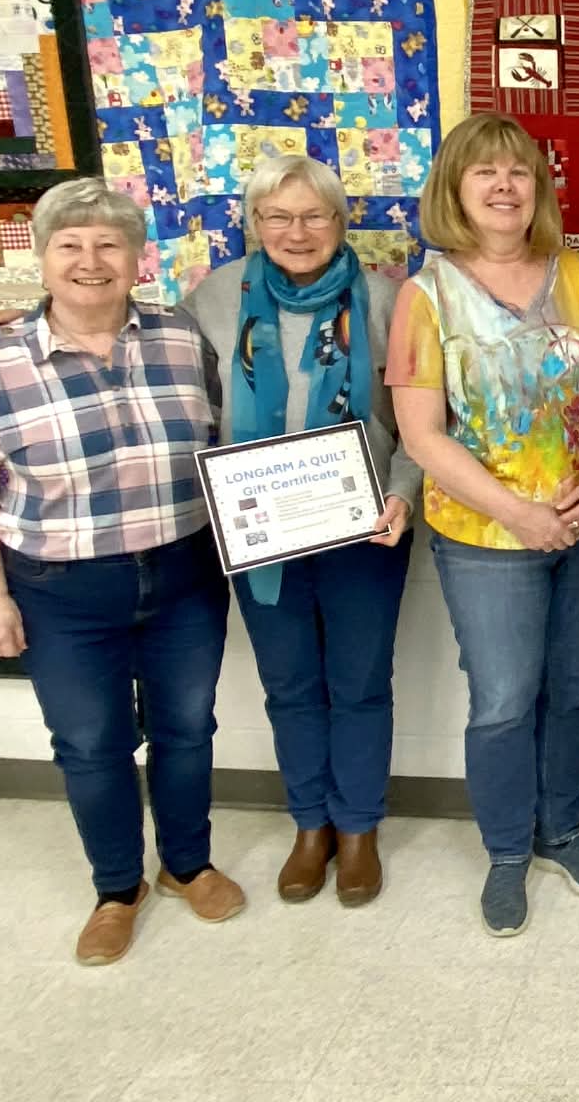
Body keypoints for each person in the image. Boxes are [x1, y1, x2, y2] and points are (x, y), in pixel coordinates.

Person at [0, 178, 243, 964]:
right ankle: (117, 889)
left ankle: (187, 864)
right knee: (90, 742)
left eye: (110, 243)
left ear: (137, 257)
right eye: (70, 244)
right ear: (42, 259)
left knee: (187, 728)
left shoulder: (180, 336)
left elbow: (222, 443)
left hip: (183, 574)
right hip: (61, 590)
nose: (91, 259)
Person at [386, 113, 579, 937]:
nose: (503, 186)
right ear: (454, 189)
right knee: (502, 700)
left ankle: (562, 830)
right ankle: (506, 850)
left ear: (538, 188)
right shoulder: (424, 296)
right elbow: (422, 436)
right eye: (484, 171)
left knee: (578, 687)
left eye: (519, 171)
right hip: (488, 539)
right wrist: (518, 511)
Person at [178, 155, 420, 908]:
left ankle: (359, 827)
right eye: (278, 216)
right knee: (289, 686)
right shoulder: (214, 299)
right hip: (260, 533)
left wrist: (403, 493)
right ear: (254, 224)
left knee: (359, 684)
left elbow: (423, 419)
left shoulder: (387, 300)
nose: (297, 230)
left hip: (366, 528)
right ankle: (310, 824)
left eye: (315, 215)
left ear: (342, 223)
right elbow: (173, 391)